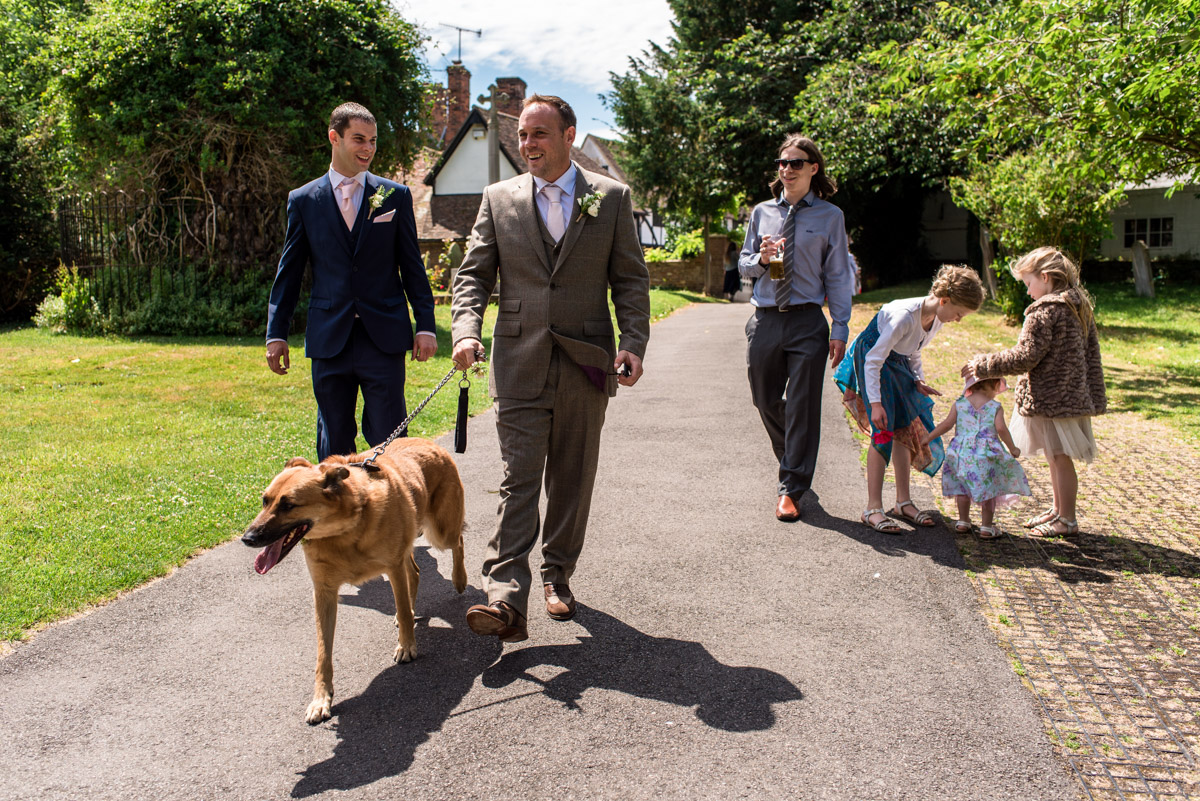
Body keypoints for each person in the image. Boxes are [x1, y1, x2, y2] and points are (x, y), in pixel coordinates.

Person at [451, 94, 651, 643]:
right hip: (518, 359)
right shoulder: (498, 198)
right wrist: (467, 330)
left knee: (572, 479)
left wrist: (633, 341)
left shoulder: (610, 199)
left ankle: (557, 575)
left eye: (540, 134)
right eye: (523, 136)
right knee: (519, 478)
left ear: (568, 135)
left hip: (588, 362)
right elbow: (473, 277)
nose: (529, 144)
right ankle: (504, 595)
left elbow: (631, 280)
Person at [265, 102, 437, 460]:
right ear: (334, 137)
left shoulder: (395, 196)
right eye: (359, 139)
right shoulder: (303, 200)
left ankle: (391, 512)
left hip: (384, 337)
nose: (368, 149)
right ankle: (337, 516)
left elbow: (412, 268)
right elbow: (290, 273)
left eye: (373, 141)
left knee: (390, 439)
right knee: (334, 440)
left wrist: (426, 326)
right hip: (330, 338)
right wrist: (276, 333)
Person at [739, 134, 855, 522]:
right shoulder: (761, 213)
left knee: (804, 406)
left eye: (796, 163)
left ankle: (790, 487)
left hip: (807, 320)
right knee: (764, 398)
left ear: (813, 168)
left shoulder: (830, 216)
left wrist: (840, 326)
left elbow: (839, 274)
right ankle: (796, 451)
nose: (787, 169)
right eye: (782, 163)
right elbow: (743, 266)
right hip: (766, 318)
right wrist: (761, 257)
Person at [963, 247, 1106, 537]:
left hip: (1052, 399)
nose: (1028, 292)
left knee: (1059, 458)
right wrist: (1093, 395)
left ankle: (1067, 520)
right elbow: (1093, 357)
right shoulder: (1079, 307)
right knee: (1056, 456)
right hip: (1071, 398)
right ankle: (1058, 509)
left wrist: (983, 365)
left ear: (1045, 277)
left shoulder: (1045, 311)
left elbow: (1025, 356)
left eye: (1029, 284)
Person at [833, 264, 984, 533]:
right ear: (944, 300)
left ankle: (903, 502)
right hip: (873, 361)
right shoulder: (903, 317)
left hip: (897, 363)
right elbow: (872, 361)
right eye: (959, 313)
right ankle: (873, 509)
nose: (959, 319)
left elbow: (914, 350)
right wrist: (876, 404)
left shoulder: (937, 317)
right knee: (883, 430)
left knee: (904, 428)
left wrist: (917, 380)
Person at [924, 375, 1031, 539]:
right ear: (995, 385)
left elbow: (946, 424)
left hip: (960, 453)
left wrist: (928, 438)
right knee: (989, 489)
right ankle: (987, 527)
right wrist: (1012, 448)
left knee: (962, 487)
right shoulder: (995, 407)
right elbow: (1001, 428)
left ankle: (963, 521)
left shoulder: (959, 404)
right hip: (986, 455)